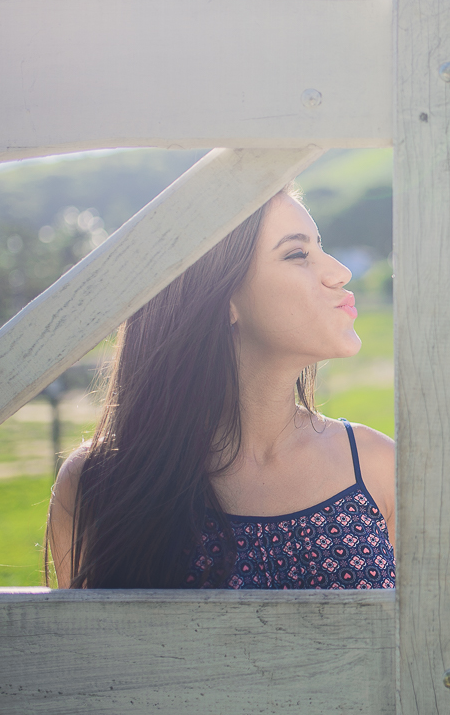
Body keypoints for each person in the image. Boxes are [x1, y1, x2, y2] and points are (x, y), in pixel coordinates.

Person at [47, 185, 395, 589]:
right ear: (223, 295)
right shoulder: (96, 482)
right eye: (297, 254)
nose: (340, 272)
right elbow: (86, 632)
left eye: (321, 247)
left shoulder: (380, 469)